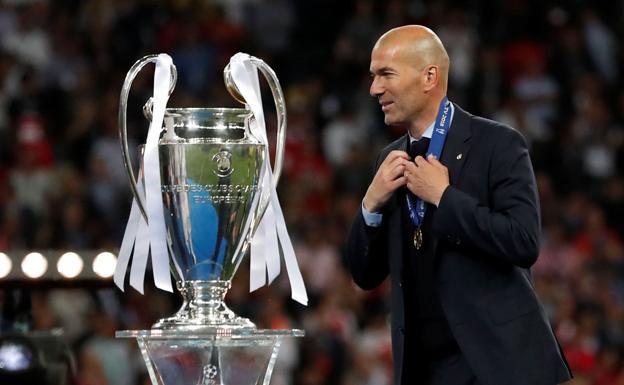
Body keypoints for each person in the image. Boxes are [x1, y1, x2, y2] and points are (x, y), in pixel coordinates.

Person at [346, 25, 572, 385]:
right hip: (426, 368)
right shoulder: (389, 160)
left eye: (386, 74)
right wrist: (369, 206)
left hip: (501, 364)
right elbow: (364, 274)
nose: (375, 88)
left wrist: (444, 197)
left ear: (429, 76)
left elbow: (523, 241)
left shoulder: (497, 144)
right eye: (373, 76)